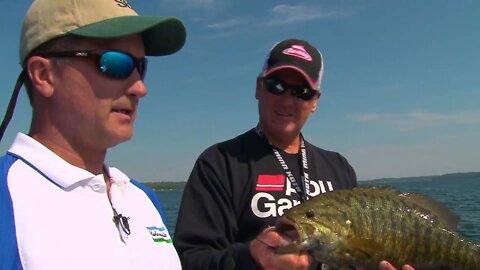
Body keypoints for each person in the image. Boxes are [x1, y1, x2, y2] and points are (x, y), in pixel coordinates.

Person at [173, 39, 414, 270]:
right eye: (277, 86)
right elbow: (189, 261)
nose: (287, 100)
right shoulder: (220, 163)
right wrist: (251, 259)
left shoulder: (339, 167)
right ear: (258, 87)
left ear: (315, 101)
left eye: (302, 92)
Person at [0, 0, 186, 269]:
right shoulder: (8, 198)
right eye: (115, 63)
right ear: (44, 75)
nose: (139, 88)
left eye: (140, 67)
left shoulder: (142, 199)